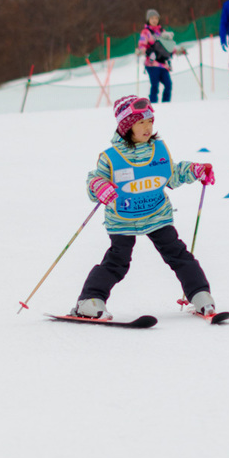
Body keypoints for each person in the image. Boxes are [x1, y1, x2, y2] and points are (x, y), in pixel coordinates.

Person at [71, 94, 216, 319]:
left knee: (178, 254)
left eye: (150, 121)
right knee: (117, 262)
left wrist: (195, 171)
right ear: (126, 126)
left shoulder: (158, 150)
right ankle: (89, 301)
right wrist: (99, 186)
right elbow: (94, 181)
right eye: (141, 122)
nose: (147, 127)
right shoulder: (111, 157)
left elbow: (172, 175)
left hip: (156, 215)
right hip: (123, 220)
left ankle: (200, 295)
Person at [137, 9, 182, 103]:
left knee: (168, 84)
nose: (154, 20)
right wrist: (142, 51)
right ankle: (153, 105)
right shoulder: (146, 32)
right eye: (152, 18)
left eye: (156, 18)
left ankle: (166, 104)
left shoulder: (162, 31)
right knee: (155, 85)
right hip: (152, 64)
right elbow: (142, 45)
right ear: (148, 19)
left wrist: (178, 51)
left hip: (163, 63)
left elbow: (168, 46)